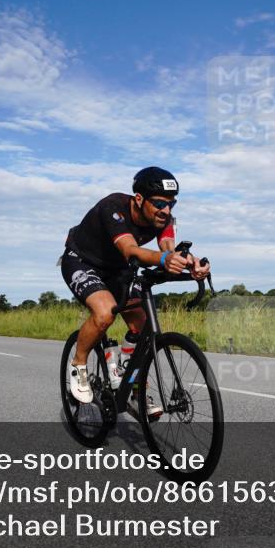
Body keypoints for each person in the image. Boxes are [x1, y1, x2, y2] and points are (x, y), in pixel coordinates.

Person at [60, 167, 210, 416]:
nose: (166, 210)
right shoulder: (114, 208)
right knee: (105, 313)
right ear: (139, 199)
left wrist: (191, 263)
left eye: (171, 204)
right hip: (83, 261)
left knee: (143, 327)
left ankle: (136, 388)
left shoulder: (164, 218)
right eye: (159, 203)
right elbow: (130, 250)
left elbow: (168, 248)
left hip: (117, 268)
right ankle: (78, 364)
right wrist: (164, 259)